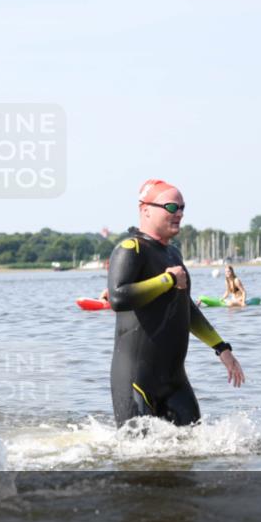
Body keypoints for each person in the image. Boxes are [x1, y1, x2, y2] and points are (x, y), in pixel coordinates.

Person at [107, 179, 245, 427]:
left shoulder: (173, 254)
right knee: (136, 456)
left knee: (194, 448)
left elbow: (185, 308)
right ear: (145, 209)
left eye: (182, 208)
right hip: (136, 380)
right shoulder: (131, 249)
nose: (179, 213)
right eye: (171, 207)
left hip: (174, 380)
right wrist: (167, 279)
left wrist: (221, 347)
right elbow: (118, 297)